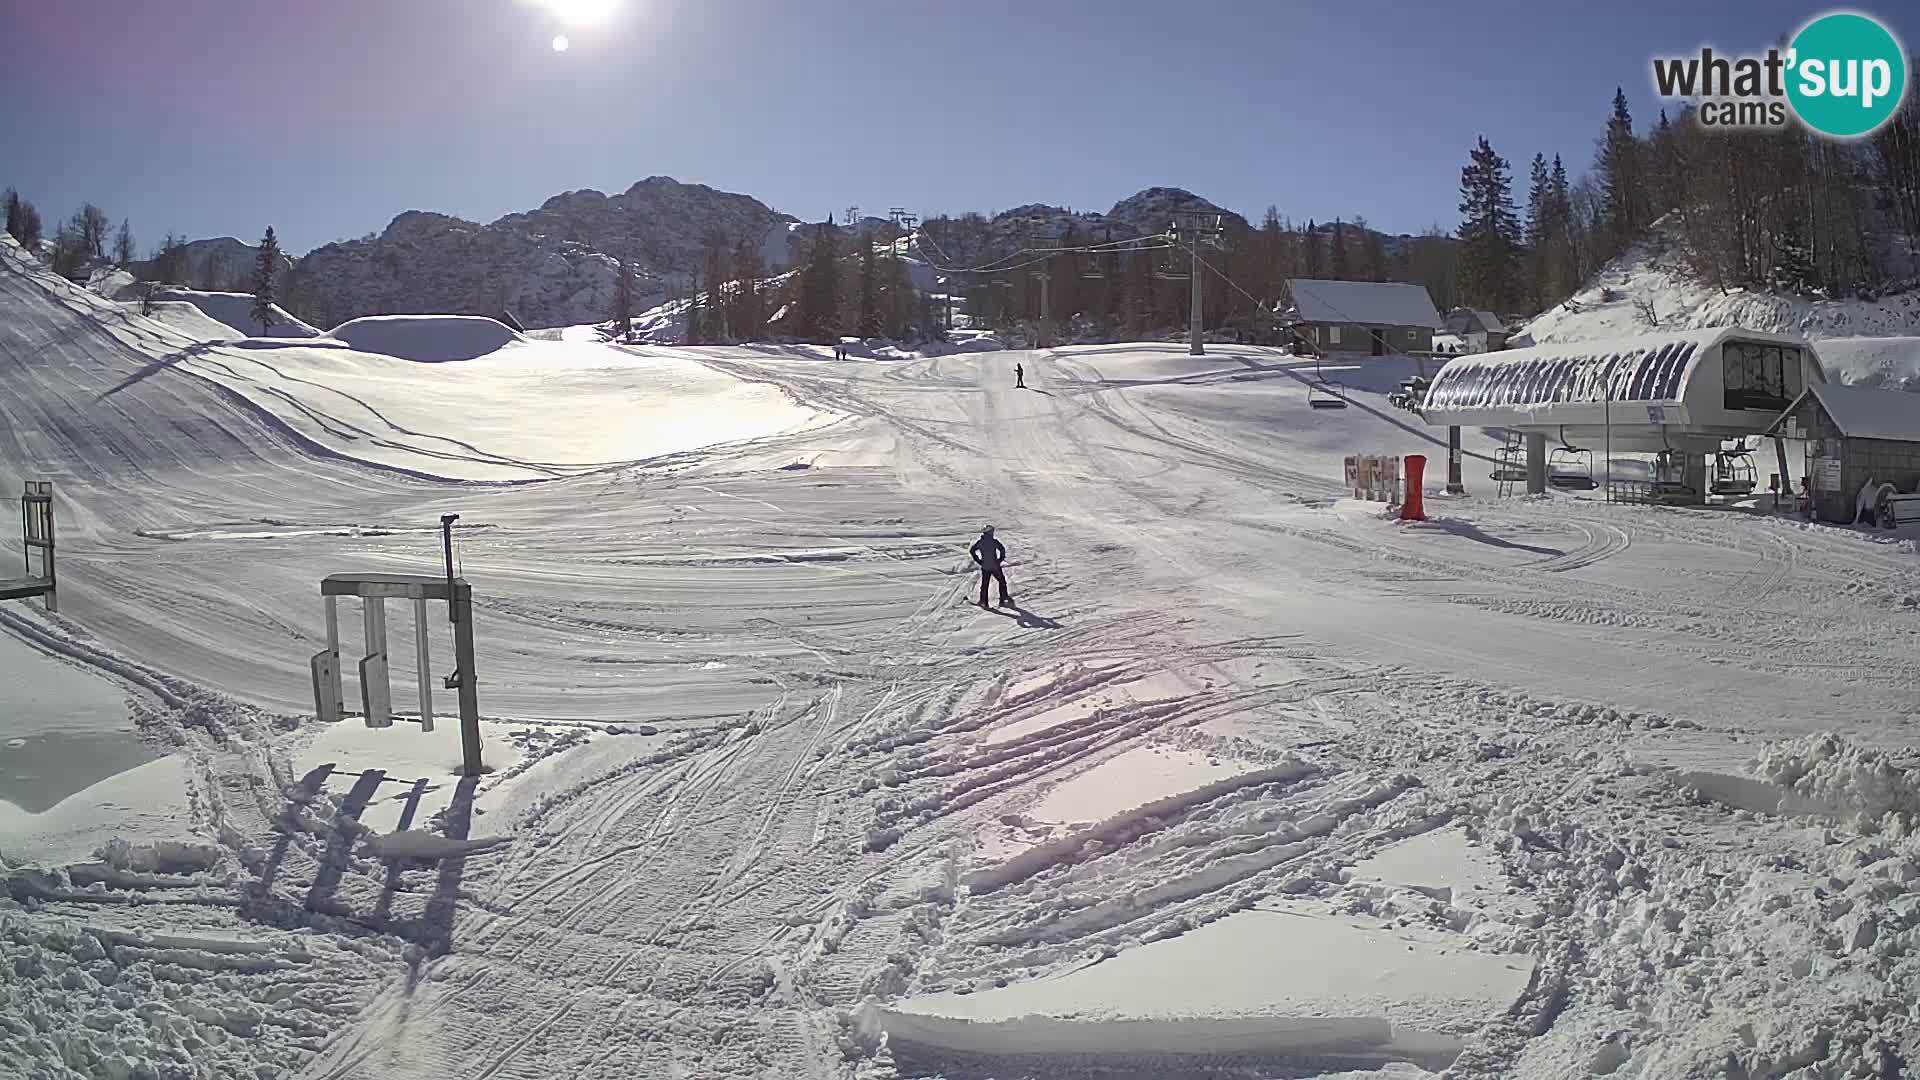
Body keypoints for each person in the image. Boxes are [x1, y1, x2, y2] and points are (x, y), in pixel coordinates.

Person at [969, 525, 1012, 608]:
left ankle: (983, 602)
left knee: (985, 584)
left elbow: (972, 550)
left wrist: (979, 561)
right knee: (1002, 581)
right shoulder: (993, 541)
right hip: (995, 566)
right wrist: (1000, 559)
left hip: (985, 566)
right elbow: (1002, 549)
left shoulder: (981, 542)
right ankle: (1003, 599)